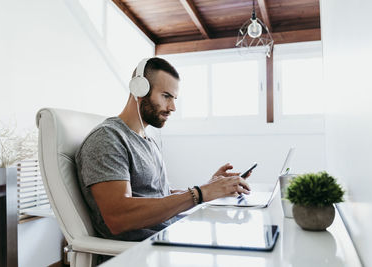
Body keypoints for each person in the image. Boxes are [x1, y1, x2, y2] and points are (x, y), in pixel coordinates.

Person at [75, 57, 251, 242]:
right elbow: (118, 217)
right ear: (139, 89)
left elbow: (161, 196)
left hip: (169, 237)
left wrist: (210, 186)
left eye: (174, 99)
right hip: (143, 253)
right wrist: (200, 193)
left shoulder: (148, 141)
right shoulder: (108, 138)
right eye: (166, 96)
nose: (173, 107)